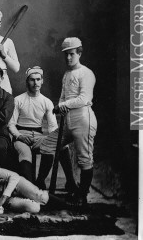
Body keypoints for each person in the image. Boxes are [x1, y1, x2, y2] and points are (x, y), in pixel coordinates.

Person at [36, 37, 97, 207]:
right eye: (66, 55)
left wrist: (62, 105)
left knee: (84, 158)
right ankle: (40, 185)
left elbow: (84, 98)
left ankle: (81, 195)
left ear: (79, 53)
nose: (68, 58)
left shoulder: (86, 73)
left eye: (71, 54)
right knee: (47, 145)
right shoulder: (67, 74)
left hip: (83, 118)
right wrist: (60, 107)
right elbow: (63, 97)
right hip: (67, 120)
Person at [8, 66, 78, 195]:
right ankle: (29, 186)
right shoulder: (18, 100)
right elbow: (11, 124)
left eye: (38, 79)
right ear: (27, 81)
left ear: (42, 81)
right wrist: (19, 136)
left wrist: (57, 140)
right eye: (32, 80)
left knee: (58, 146)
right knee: (25, 153)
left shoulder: (46, 102)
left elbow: (52, 126)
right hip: (21, 137)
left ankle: (43, 181)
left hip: (38, 137)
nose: (35, 83)